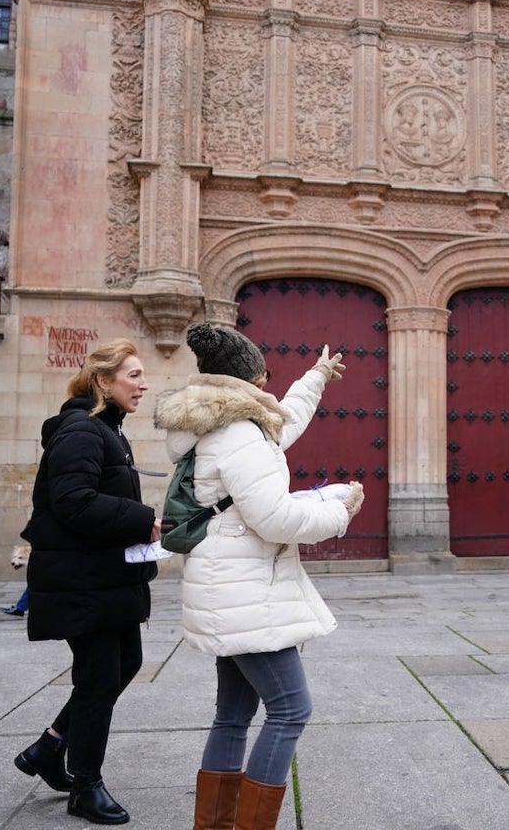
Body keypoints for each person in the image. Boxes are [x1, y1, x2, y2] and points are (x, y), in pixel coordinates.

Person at [154, 323, 363, 830]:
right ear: (251, 377)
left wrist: (314, 378)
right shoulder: (240, 433)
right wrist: (341, 513)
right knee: (291, 710)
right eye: (265, 375)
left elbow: (281, 427)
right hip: (245, 590)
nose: (270, 384)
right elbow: (274, 518)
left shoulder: (218, 425)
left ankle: (215, 825)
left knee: (233, 715)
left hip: (227, 586)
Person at [12, 339, 160, 825]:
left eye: (142, 375)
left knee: (126, 663)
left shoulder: (107, 431)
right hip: (83, 579)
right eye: (133, 375)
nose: (143, 384)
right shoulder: (81, 430)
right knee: (98, 678)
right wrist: (143, 519)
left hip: (105, 577)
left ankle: (49, 748)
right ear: (103, 380)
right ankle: (86, 785)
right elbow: (74, 502)